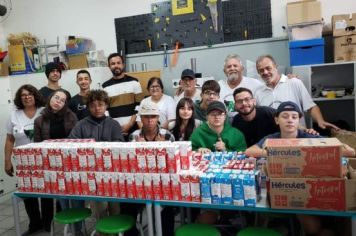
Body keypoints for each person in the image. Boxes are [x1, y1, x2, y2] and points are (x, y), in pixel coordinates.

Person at [245, 101, 355, 236]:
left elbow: (350, 152)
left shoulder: (309, 137)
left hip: (313, 189)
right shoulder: (272, 138)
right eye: (285, 116)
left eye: (294, 116)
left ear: (299, 120)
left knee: (314, 229)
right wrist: (277, 152)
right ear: (276, 120)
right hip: (285, 189)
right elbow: (250, 151)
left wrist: (305, 150)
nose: (290, 120)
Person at [68, 89, 123, 228]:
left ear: (106, 105)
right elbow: (71, 144)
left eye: (100, 104)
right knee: (99, 210)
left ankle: (115, 231)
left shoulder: (114, 124)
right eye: (93, 105)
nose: (97, 108)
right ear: (88, 106)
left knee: (115, 209)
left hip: (112, 175)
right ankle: (102, 232)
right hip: (91, 175)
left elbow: (119, 146)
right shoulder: (81, 125)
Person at [33, 89, 77, 232]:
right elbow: (37, 145)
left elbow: (77, 141)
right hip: (52, 166)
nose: (58, 101)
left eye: (62, 100)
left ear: (65, 104)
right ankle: (69, 228)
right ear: (50, 98)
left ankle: (78, 228)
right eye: (56, 97)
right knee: (62, 198)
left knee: (76, 198)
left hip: (70, 163)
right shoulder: (39, 120)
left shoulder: (72, 117)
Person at [254, 54, 338, 130]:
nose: (265, 72)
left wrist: (320, 120)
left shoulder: (294, 82)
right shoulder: (258, 93)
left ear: (276, 67)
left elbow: (310, 106)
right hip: (272, 137)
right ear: (258, 72)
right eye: (261, 70)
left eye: (268, 68)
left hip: (297, 136)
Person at [129, 100, 175, 236]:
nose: (149, 120)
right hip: (140, 182)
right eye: (146, 117)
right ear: (141, 118)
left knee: (167, 208)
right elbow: (132, 164)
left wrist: (161, 149)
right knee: (127, 206)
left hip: (162, 182)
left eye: (153, 116)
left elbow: (172, 164)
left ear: (158, 118)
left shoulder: (167, 136)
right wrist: (139, 149)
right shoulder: (134, 136)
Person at [4, 85, 45, 236]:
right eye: (23, 95)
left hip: (44, 159)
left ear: (35, 96)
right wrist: (7, 161)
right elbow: (9, 140)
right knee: (28, 194)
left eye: (30, 94)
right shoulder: (14, 115)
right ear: (19, 98)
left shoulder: (44, 111)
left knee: (47, 192)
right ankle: (35, 223)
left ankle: (48, 222)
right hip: (23, 162)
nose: (27, 97)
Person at [102, 53, 144, 137]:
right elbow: (105, 110)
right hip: (113, 129)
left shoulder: (134, 82)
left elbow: (140, 106)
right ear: (109, 66)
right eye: (113, 64)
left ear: (123, 64)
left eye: (118, 63)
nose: (116, 65)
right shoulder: (104, 87)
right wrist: (115, 127)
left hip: (134, 128)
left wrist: (130, 124)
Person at [218, 54, 263, 118]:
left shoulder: (255, 84)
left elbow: (262, 108)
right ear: (224, 71)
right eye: (229, 67)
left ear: (242, 69)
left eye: (235, 66)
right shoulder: (218, 86)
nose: (232, 68)